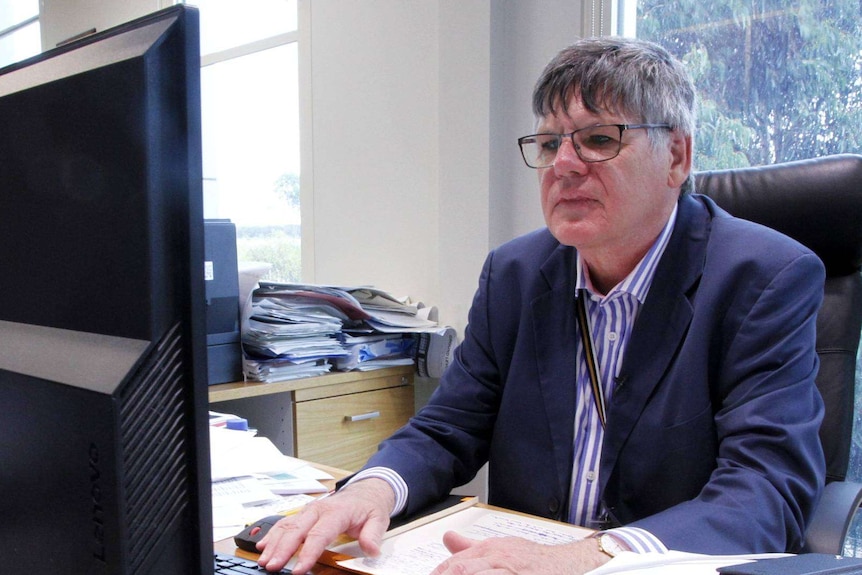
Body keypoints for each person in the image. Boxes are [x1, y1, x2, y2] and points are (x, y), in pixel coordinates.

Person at [257, 37, 826, 575]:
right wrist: (371, 489)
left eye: (599, 140)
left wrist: (593, 556)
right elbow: (448, 426)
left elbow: (766, 489)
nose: (564, 165)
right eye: (550, 143)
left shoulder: (764, 278)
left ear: (676, 156)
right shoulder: (515, 273)